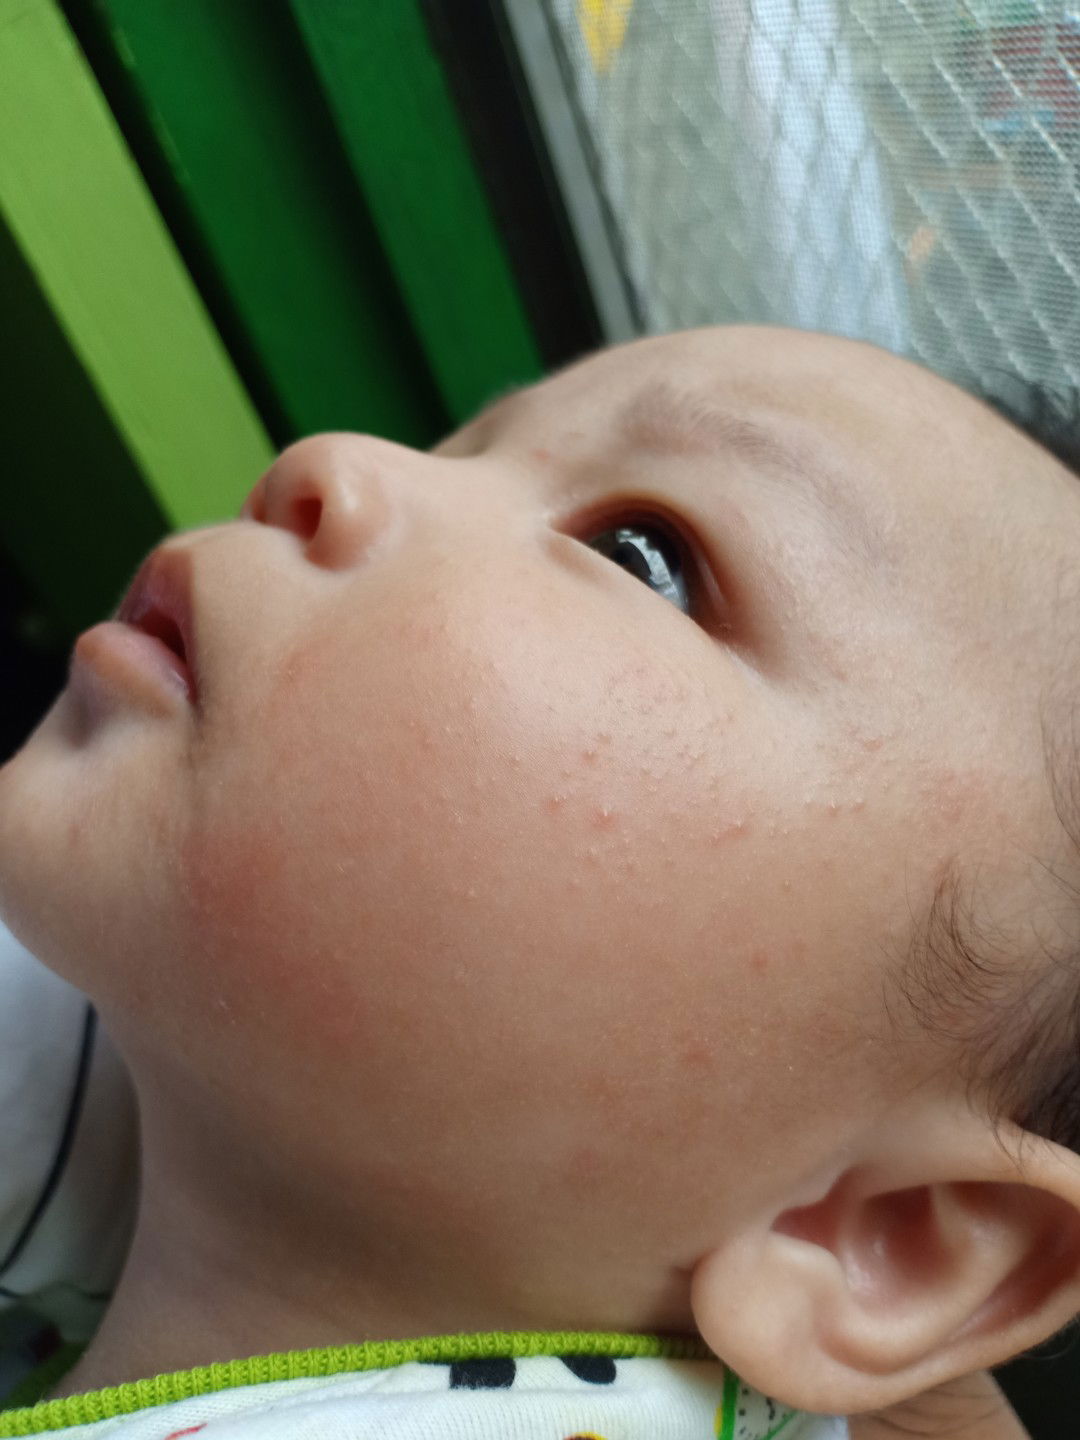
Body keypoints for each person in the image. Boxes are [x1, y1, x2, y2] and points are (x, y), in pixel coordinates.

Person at [0, 323, 1078, 1437]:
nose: (332, 460)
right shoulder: (184, 1084)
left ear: (885, 1237)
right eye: (465, 444)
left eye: (643, 554)